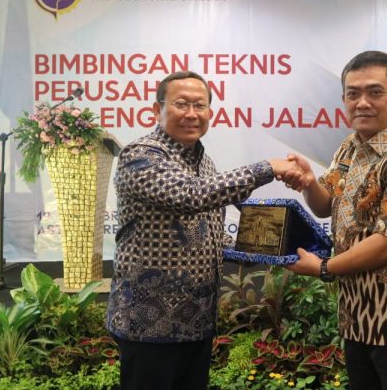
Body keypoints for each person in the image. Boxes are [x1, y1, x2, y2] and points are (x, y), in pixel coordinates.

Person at [106, 70, 304, 390]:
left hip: (196, 322)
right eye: (181, 104)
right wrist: (267, 168)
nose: (191, 113)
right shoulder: (141, 155)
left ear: (210, 112)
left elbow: (203, 234)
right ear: (157, 110)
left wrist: (264, 249)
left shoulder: (203, 161)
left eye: (200, 105)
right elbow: (190, 196)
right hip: (149, 325)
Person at [286, 51, 387, 390]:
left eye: (375, 92)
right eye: (353, 93)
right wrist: (308, 183)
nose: (362, 103)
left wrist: (324, 267)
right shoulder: (350, 146)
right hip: (360, 318)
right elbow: (325, 204)